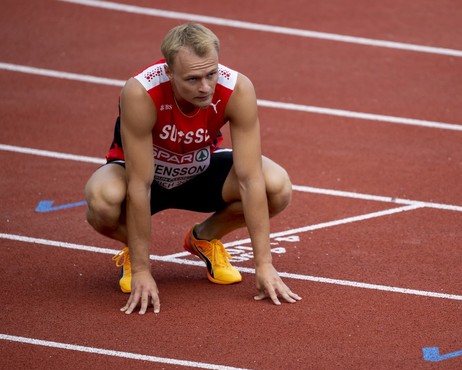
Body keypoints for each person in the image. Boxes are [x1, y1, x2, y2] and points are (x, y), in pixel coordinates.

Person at [84, 23, 301, 315]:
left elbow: (250, 178)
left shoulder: (237, 88)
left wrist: (264, 265)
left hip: (201, 171)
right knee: (101, 198)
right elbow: (140, 184)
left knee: (277, 186)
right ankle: (133, 253)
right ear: (169, 72)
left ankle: (205, 238)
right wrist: (143, 269)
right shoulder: (140, 93)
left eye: (211, 74)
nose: (205, 87)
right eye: (192, 79)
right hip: (146, 176)